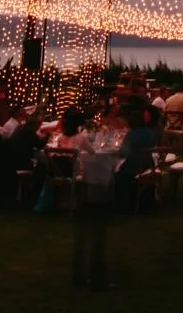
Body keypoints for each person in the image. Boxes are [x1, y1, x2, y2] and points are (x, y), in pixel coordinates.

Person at [70, 110, 118, 291]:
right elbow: (95, 154)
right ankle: (96, 275)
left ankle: (80, 274)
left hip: (79, 187)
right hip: (91, 187)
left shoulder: (74, 137)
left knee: (82, 234)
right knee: (96, 232)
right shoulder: (82, 137)